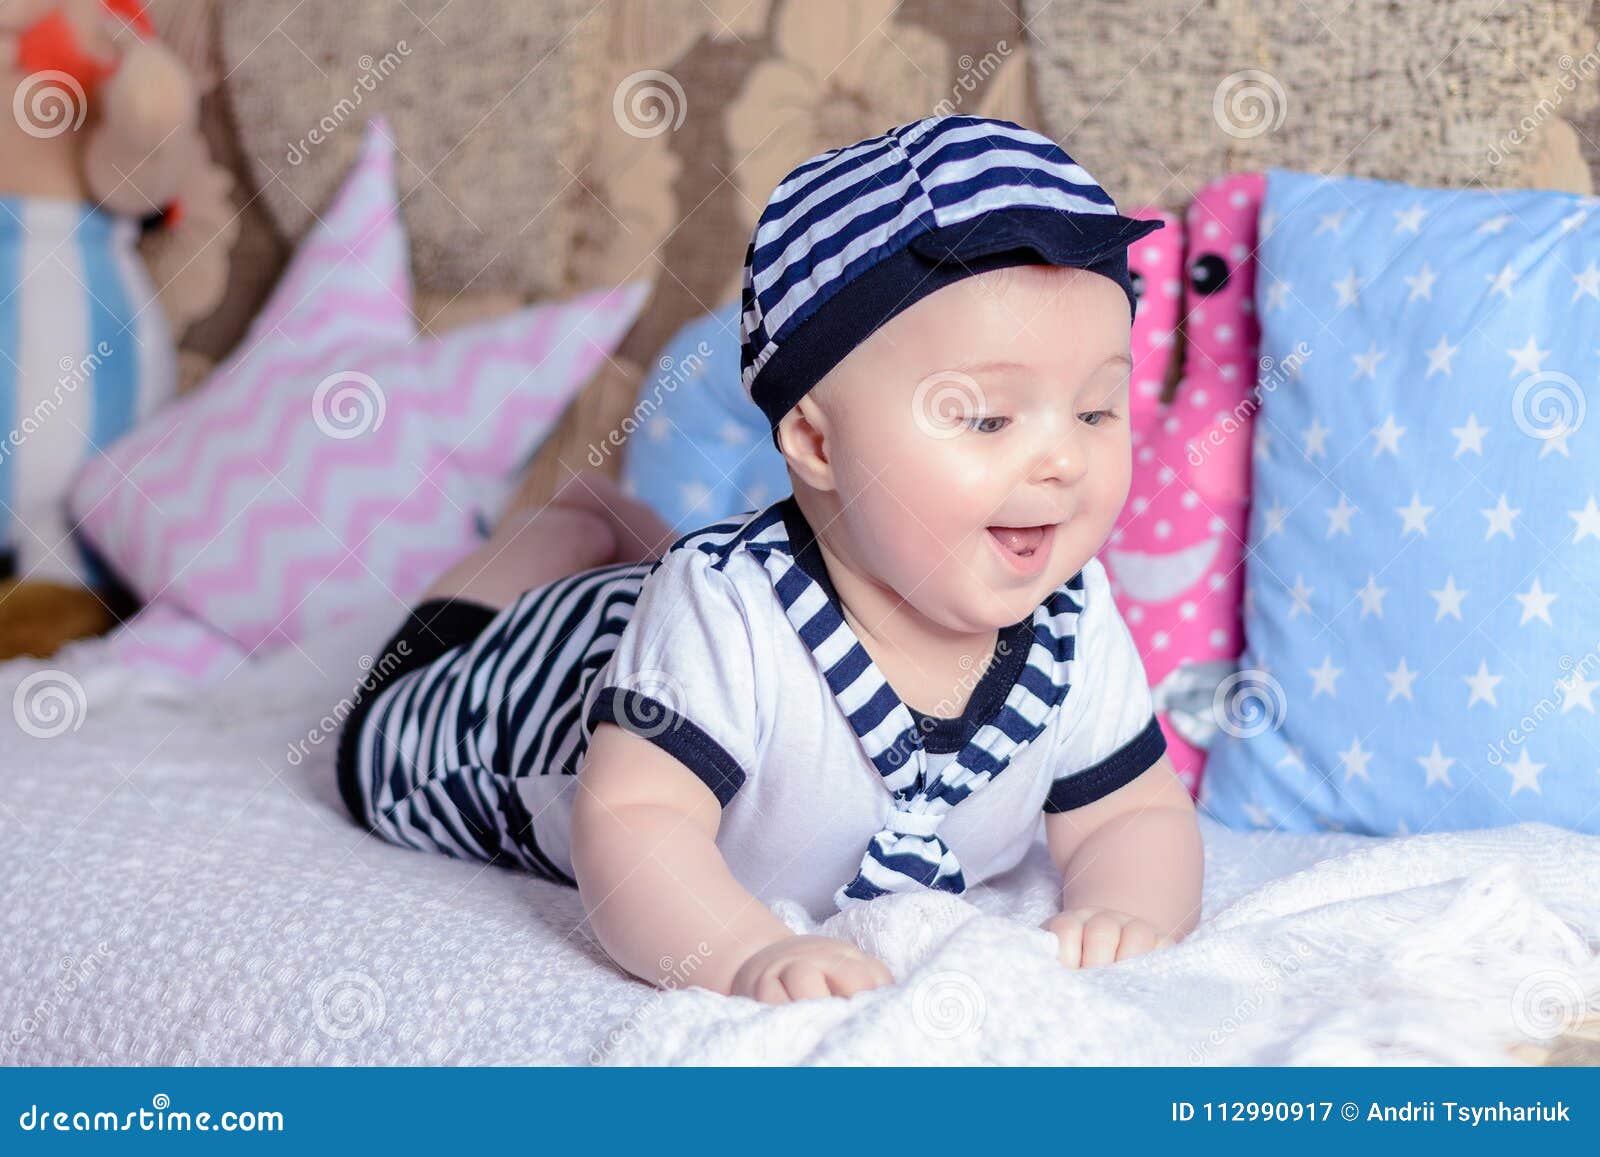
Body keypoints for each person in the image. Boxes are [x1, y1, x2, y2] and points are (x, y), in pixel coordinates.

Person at [335, 115, 1204, 1006]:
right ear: (815, 442)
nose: (1063, 461)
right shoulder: (726, 609)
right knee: (433, 664)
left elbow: (1133, 813)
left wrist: (1126, 908)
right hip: (520, 691)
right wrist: (744, 952)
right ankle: (565, 528)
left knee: (663, 587)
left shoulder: (1074, 617)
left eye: (1098, 410)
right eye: (987, 419)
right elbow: (634, 822)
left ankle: (628, 530)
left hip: (677, 627)